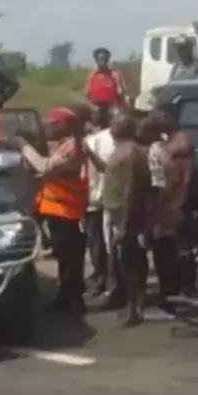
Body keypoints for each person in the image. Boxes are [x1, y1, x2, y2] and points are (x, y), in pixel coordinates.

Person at [14, 106, 89, 315]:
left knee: (70, 261)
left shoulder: (72, 147)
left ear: (65, 125)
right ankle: (66, 300)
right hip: (59, 210)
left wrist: (24, 147)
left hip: (67, 211)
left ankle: (73, 303)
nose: (49, 127)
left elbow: (46, 167)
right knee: (65, 259)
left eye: (53, 124)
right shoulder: (65, 145)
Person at [100, 113, 149, 326]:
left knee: (130, 262)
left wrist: (123, 224)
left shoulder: (130, 153)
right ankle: (134, 303)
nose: (111, 128)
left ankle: (133, 308)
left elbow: (130, 189)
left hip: (126, 215)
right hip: (119, 213)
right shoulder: (124, 150)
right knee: (128, 260)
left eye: (115, 124)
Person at [141, 113, 187, 307]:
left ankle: (168, 301)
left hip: (161, 210)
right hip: (169, 207)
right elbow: (174, 179)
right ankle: (172, 295)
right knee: (168, 255)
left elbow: (160, 185)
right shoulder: (163, 150)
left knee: (163, 257)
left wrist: (155, 213)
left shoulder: (153, 152)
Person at [82, 106, 118, 301]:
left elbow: (92, 172)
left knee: (97, 242)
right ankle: (103, 278)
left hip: (94, 197)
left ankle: (101, 279)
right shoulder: (113, 138)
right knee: (106, 242)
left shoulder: (92, 141)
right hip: (107, 196)